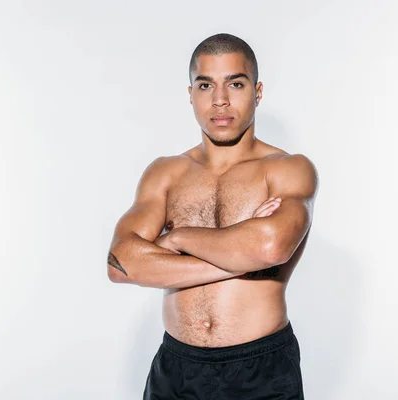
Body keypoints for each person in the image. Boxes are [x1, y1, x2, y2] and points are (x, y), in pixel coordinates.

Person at [106, 33, 318, 399]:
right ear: (191, 93)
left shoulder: (287, 169)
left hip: (261, 369)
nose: (220, 100)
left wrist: (176, 238)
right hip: (176, 369)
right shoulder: (166, 172)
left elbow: (270, 246)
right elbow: (121, 262)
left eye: (235, 83)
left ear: (258, 91)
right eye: (206, 85)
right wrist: (240, 258)